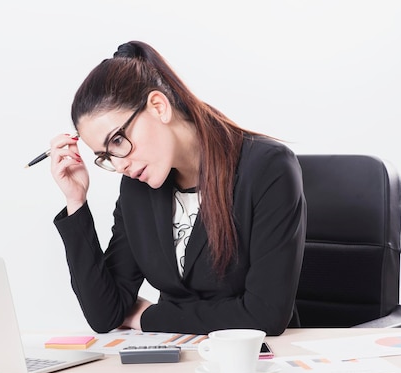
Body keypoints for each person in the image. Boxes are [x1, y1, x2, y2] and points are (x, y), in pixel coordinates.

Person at [48, 40, 306, 336]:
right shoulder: (137, 187)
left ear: (159, 106)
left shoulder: (267, 169)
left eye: (117, 141)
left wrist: (149, 317)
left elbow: (265, 315)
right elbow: (106, 313)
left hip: (254, 364)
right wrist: (75, 200)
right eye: (106, 156)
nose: (120, 165)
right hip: (174, 363)